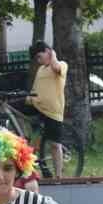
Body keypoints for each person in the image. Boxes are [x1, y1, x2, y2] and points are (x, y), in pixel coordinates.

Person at [13, 41, 68, 179]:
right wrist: (26, 98)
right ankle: (24, 136)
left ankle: (58, 176)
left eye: (39, 56)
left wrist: (53, 55)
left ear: (48, 51)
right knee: (12, 107)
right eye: (36, 59)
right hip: (37, 105)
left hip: (53, 111)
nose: (38, 61)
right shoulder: (41, 70)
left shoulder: (61, 65)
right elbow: (36, 88)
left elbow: (56, 68)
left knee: (55, 145)